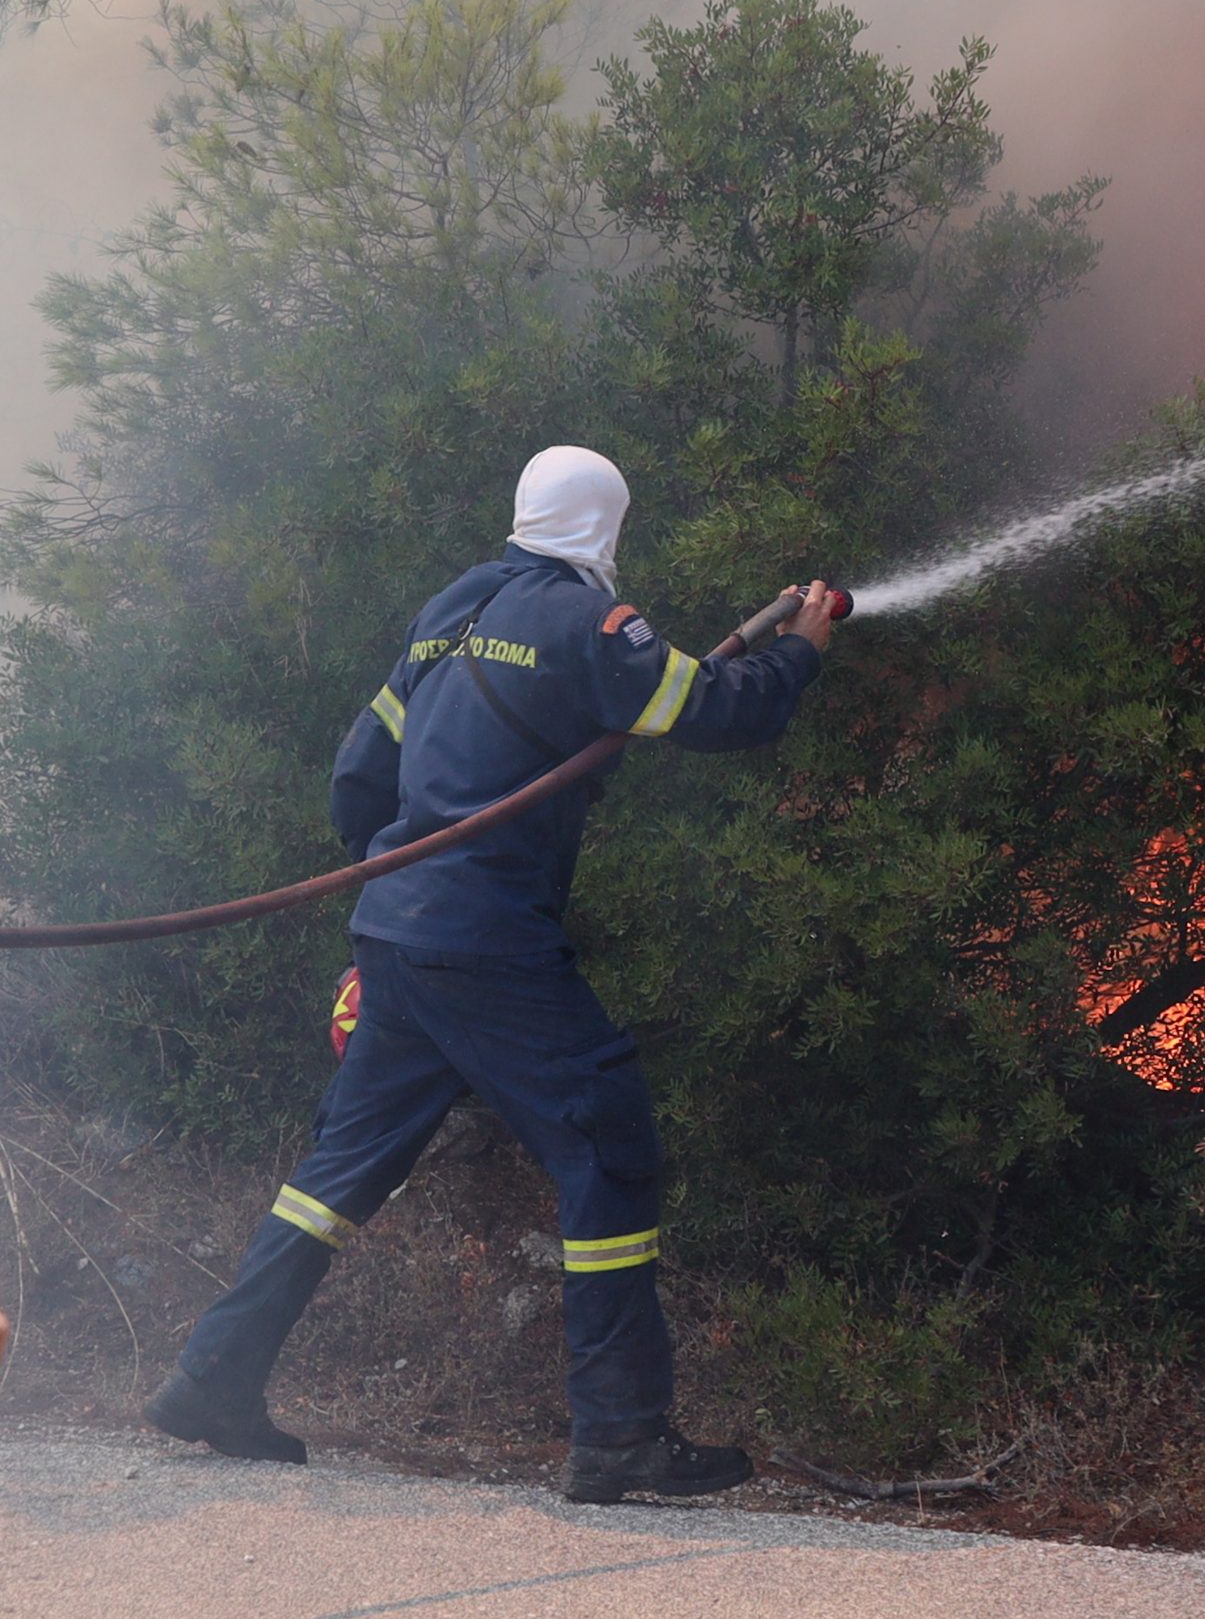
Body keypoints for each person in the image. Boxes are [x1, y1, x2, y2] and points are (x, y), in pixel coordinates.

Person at [144, 445, 835, 1503]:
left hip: (398, 938)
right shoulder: (589, 625)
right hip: (491, 949)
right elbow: (720, 710)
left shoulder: (450, 609)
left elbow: (359, 774)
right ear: (607, 524)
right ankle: (620, 1434)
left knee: (334, 1177)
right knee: (608, 1147)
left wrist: (398, 898)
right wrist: (804, 651)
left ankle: (212, 1378)